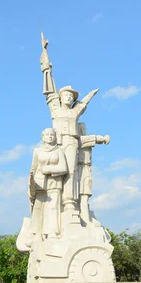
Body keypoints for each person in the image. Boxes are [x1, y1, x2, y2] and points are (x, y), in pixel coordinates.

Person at [39, 33, 98, 212]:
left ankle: (70, 202)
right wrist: (45, 53)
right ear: (61, 96)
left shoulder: (74, 112)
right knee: (57, 173)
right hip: (56, 143)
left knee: (71, 171)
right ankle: (54, 202)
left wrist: (91, 94)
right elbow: (50, 90)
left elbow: (84, 103)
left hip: (71, 141)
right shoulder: (55, 108)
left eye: (70, 96)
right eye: (65, 94)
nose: (67, 97)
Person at [28, 128, 67, 240]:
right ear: (43, 137)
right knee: (38, 208)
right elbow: (33, 168)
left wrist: (49, 169)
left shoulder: (59, 151)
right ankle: (36, 233)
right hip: (40, 183)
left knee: (54, 208)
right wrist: (30, 186)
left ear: (55, 137)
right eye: (47, 135)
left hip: (54, 183)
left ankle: (53, 233)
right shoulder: (37, 151)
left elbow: (64, 168)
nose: (50, 136)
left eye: (52, 135)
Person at [78, 123, 110, 224]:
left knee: (84, 197)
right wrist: (103, 138)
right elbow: (93, 138)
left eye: (84, 128)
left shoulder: (83, 140)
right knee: (82, 195)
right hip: (80, 169)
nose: (84, 130)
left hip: (86, 168)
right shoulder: (78, 140)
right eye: (81, 128)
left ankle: (85, 218)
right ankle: (85, 220)